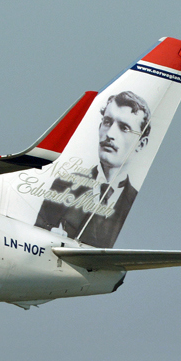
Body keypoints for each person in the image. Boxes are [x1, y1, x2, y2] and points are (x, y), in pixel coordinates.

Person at [34, 90, 151, 248]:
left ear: (141, 144)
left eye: (124, 128)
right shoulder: (64, 184)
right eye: (107, 122)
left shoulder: (134, 204)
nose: (110, 134)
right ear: (99, 126)